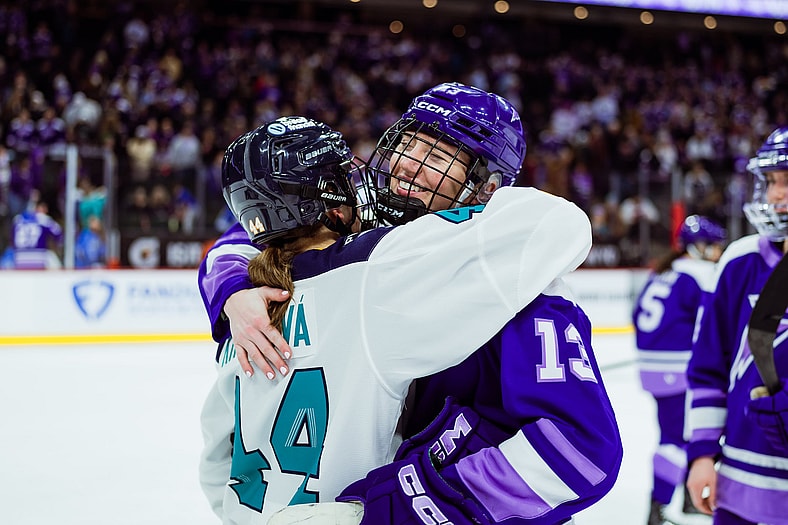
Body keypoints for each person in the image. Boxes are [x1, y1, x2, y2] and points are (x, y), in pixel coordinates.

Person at [199, 83, 622, 524]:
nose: (406, 165)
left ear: (485, 189)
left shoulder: (526, 285)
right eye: (406, 143)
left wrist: (397, 508)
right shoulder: (375, 248)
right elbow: (256, 236)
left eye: (436, 157)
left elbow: (578, 451)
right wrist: (233, 293)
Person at [685, 126, 788, 525]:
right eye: (774, 181)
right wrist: (703, 454)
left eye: (787, 182)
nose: (777, 194)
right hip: (742, 482)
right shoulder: (740, 261)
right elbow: (708, 368)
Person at [632, 215, 727, 525]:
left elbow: (637, 316)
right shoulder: (701, 274)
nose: (716, 252)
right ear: (697, 247)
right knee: (677, 439)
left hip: (653, 369)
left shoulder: (664, 271)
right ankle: (656, 506)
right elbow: (713, 326)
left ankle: (688, 499)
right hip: (680, 370)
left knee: (684, 430)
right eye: (712, 246)